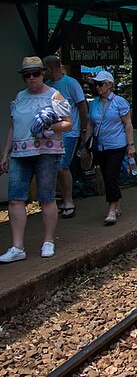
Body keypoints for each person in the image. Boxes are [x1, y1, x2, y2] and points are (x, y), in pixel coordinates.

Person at [0, 56, 72, 262]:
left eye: (36, 74)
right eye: (27, 75)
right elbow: (13, 127)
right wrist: (5, 153)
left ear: (43, 74)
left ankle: (48, 241)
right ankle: (17, 246)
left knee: (46, 197)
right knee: (15, 198)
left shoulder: (54, 96)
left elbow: (68, 123)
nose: (32, 78)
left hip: (46, 153)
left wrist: (50, 126)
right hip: (20, 153)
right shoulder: (20, 97)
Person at [83, 71, 135, 225]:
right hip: (100, 145)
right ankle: (116, 201)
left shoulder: (120, 102)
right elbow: (90, 124)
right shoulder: (94, 103)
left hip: (117, 144)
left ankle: (111, 209)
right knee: (107, 176)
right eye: (96, 84)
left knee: (111, 174)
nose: (97, 87)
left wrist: (130, 146)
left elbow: (128, 124)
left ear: (109, 85)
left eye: (100, 84)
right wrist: (87, 145)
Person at [43, 55, 88, 219]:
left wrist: (83, 130)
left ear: (52, 68)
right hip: (51, 133)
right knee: (53, 167)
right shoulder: (46, 86)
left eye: (43, 69)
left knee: (62, 166)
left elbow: (83, 107)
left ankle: (69, 201)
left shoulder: (70, 83)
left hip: (69, 133)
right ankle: (61, 198)